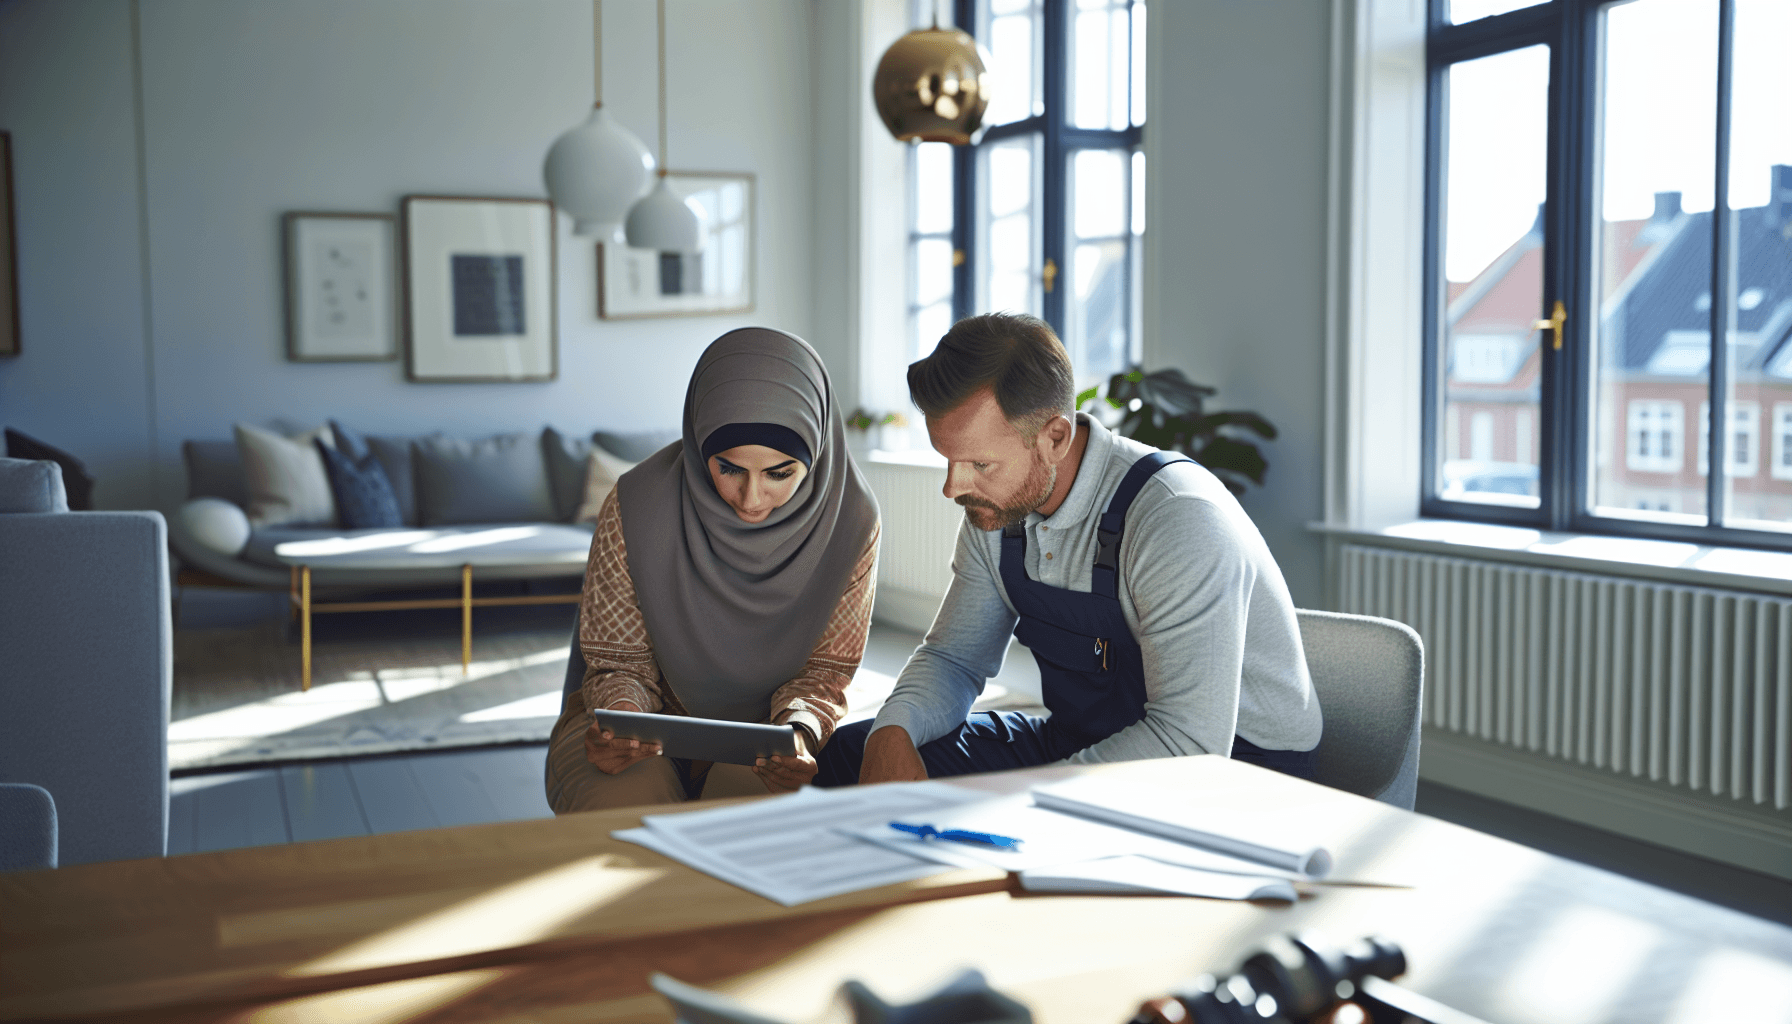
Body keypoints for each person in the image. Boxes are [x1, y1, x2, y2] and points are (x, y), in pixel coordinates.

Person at [815, 313, 1320, 787]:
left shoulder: (1176, 517)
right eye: (948, 460)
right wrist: (893, 731)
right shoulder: (997, 509)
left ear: (1054, 436)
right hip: (1085, 743)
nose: (953, 487)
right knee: (855, 753)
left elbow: (1189, 742)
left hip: (1236, 774)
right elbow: (954, 658)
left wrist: (1029, 798)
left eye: (980, 464)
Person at [545, 328, 880, 812]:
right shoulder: (635, 504)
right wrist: (623, 720)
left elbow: (824, 673)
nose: (751, 499)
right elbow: (620, 663)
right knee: (626, 808)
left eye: (779, 473)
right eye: (729, 469)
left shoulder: (853, 521)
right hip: (636, 715)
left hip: (767, 729)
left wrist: (799, 734)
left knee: (744, 819)